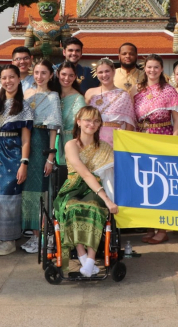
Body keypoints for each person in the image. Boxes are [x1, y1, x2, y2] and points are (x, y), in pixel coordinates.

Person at [55, 106, 118, 277]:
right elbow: (84, 173)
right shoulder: (71, 144)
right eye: (88, 120)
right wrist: (108, 200)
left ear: (100, 125)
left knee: (94, 209)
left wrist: (108, 199)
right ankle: (84, 259)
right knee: (73, 209)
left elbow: (112, 175)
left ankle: (90, 260)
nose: (92, 124)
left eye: (96, 121)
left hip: (96, 190)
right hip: (73, 188)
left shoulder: (105, 147)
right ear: (78, 122)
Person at [0, 65, 33, 256]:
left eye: (12, 77)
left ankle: (9, 239)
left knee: (7, 196)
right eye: (4, 78)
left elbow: (26, 139)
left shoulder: (24, 105)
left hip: (11, 156)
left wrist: (24, 163)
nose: (8, 81)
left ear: (19, 79)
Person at [133, 54, 178, 245]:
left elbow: (177, 119)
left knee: (160, 184)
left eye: (156, 67)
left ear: (162, 69)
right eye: (149, 67)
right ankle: (149, 226)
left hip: (162, 136)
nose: (152, 70)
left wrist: (174, 142)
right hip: (142, 138)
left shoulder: (169, 90)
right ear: (144, 68)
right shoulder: (138, 91)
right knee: (144, 182)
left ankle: (162, 229)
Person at [21, 60, 61, 253]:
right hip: (26, 139)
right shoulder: (27, 93)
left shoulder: (53, 96)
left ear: (50, 75)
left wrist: (50, 157)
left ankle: (43, 236)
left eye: (44, 73)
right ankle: (34, 235)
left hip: (42, 141)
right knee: (28, 189)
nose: (39, 77)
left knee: (41, 189)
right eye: (36, 72)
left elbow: (53, 128)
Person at [85, 58, 136, 146]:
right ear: (96, 74)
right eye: (100, 72)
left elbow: (130, 123)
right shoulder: (90, 93)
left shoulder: (123, 95)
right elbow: (85, 118)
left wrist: (123, 143)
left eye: (107, 71)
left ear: (113, 71)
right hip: (93, 136)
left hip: (115, 139)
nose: (104, 75)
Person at [58, 61, 87, 166]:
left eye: (71, 75)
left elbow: (83, 125)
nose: (66, 78)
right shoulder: (54, 94)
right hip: (52, 140)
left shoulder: (78, 99)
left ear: (75, 77)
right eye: (63, 74)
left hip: (70, 141)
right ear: (58, 74)